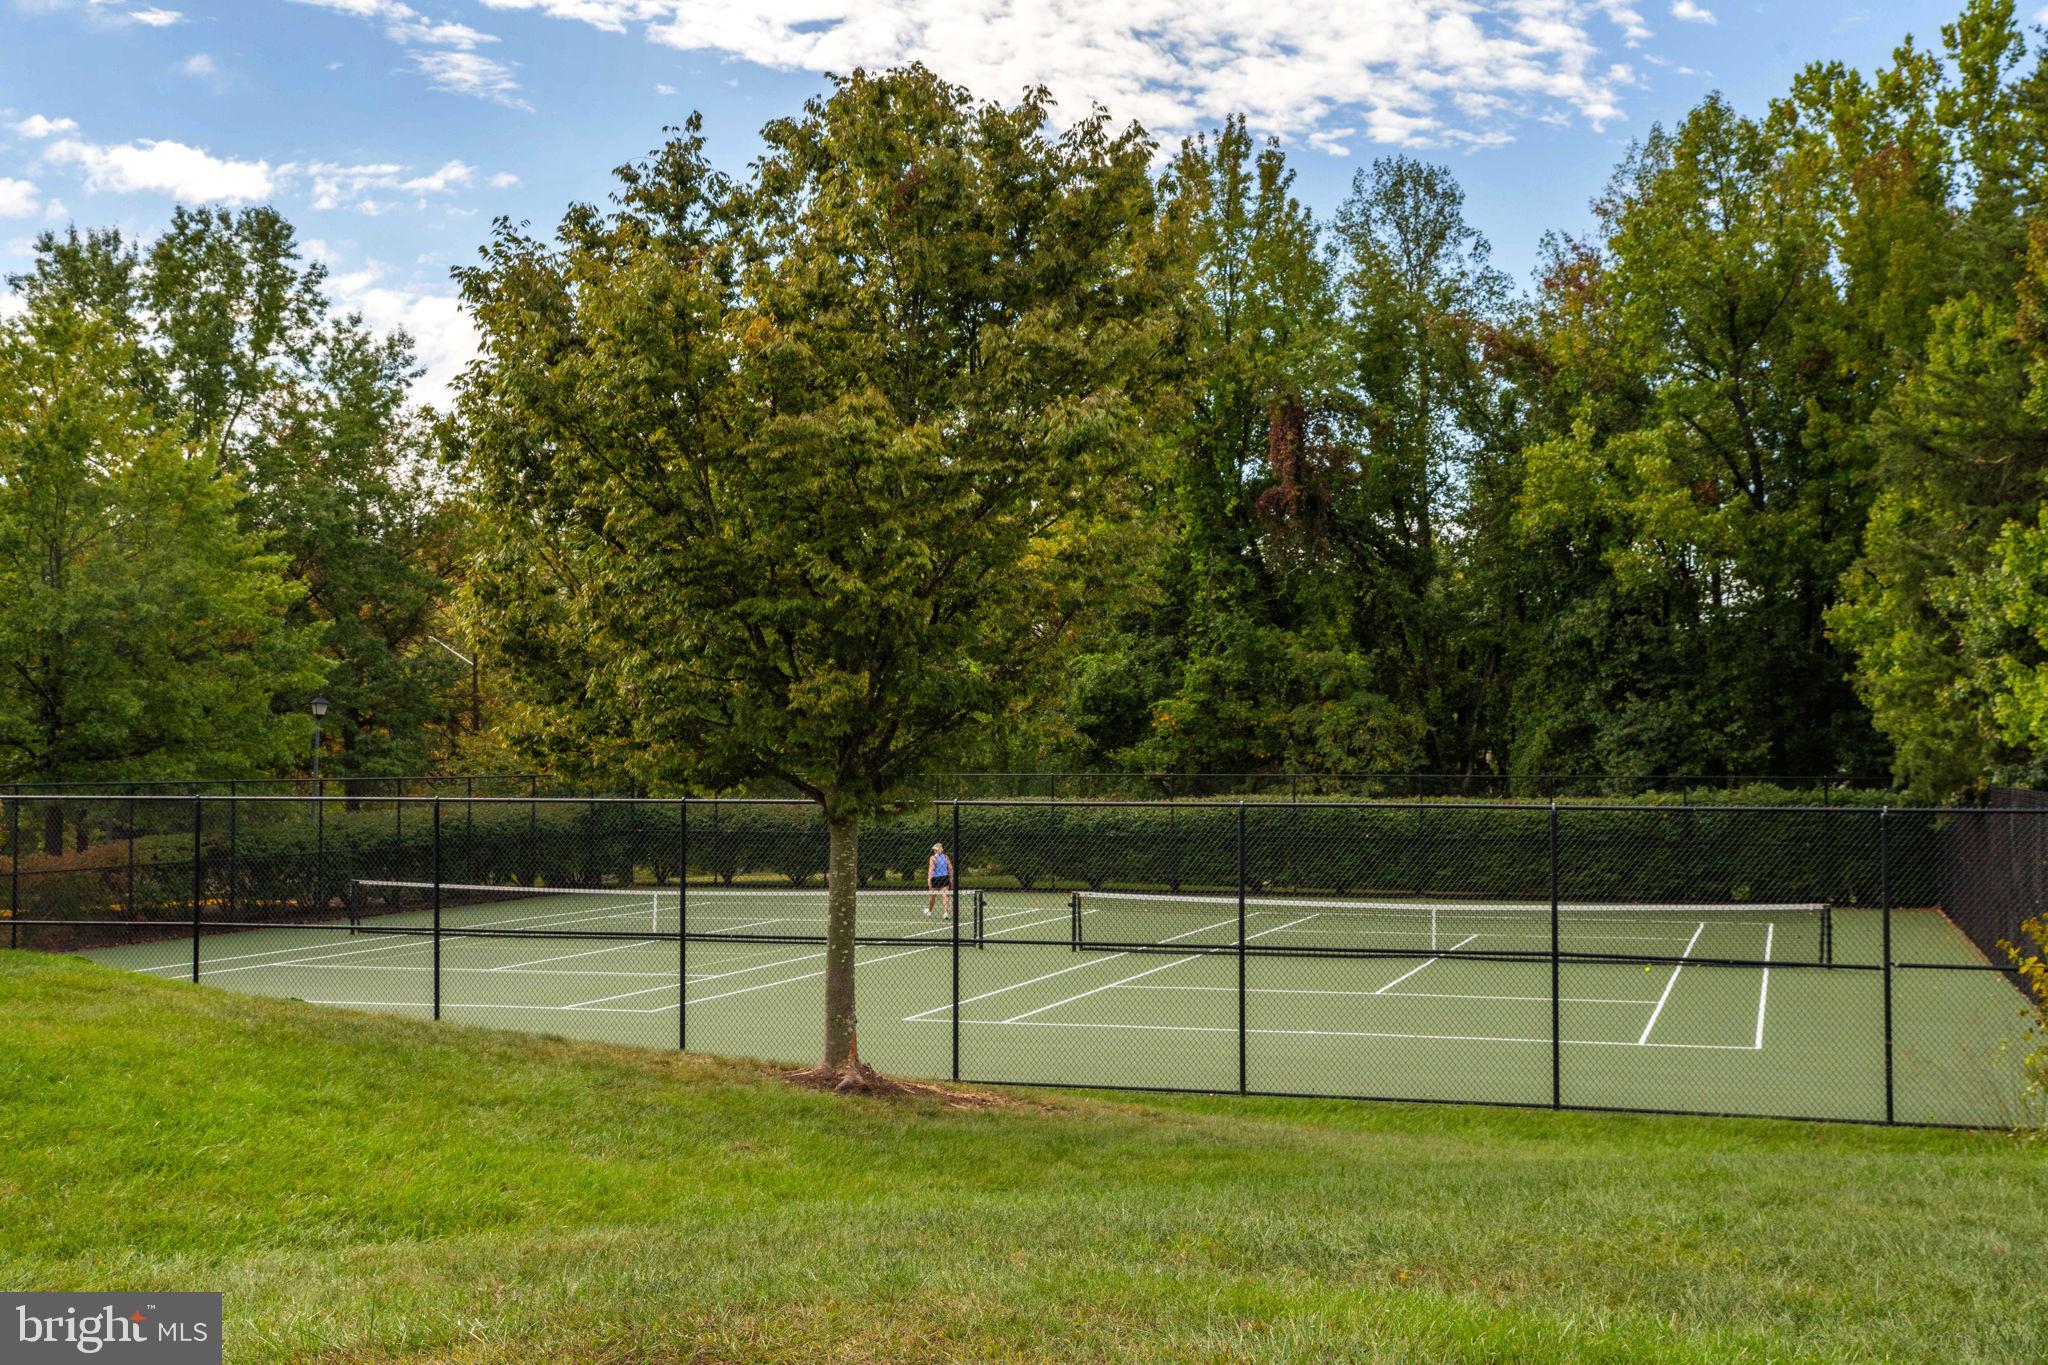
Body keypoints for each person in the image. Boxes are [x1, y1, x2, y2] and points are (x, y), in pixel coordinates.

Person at [925, 842, 953, 918]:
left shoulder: (933, 858)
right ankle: (946, 913)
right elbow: (950, 868)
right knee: (945, 896)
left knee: (932, 896)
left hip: (935, 878)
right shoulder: (946, 857)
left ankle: (929, 911)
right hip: (944, 877)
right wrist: (951, 878)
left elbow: (931, 869)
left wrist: (929, 879)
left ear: (935, 850)